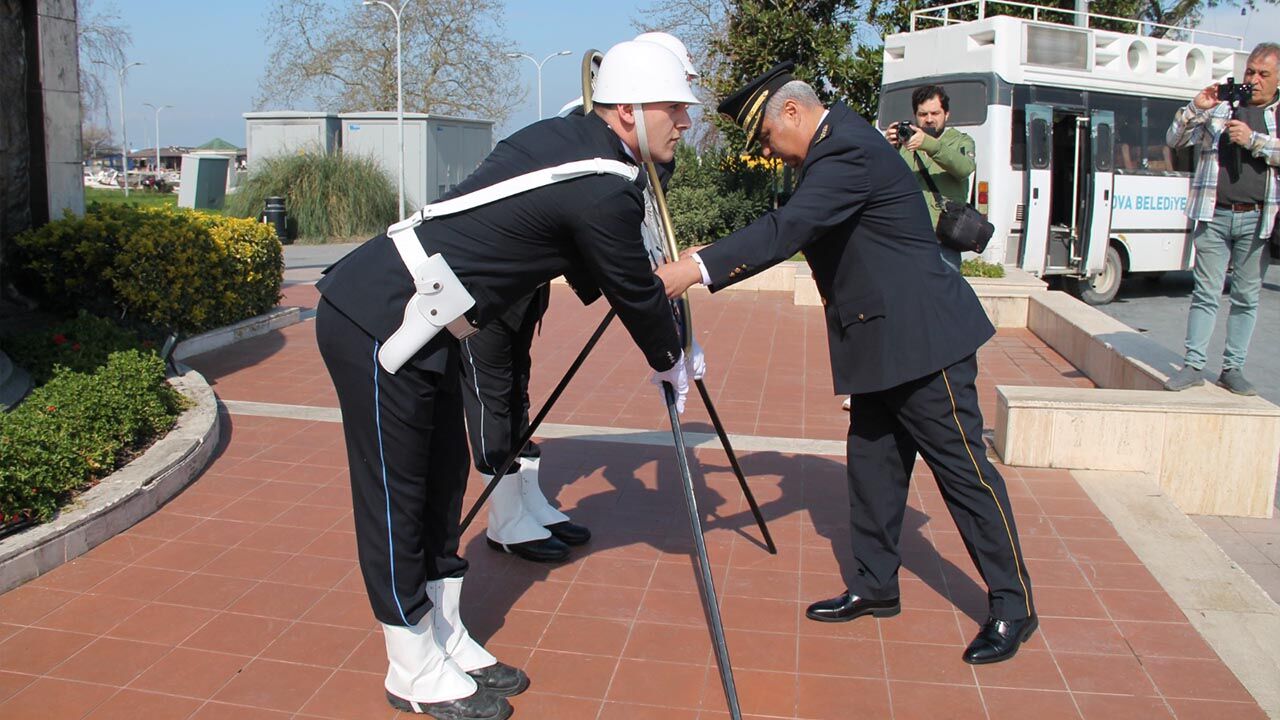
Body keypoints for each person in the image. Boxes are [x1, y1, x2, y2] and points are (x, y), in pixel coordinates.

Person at [315, 41, 701, 719]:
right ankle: (410, 663)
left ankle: (444, 635)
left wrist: (654, 314)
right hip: (379, 316)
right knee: (396, 496)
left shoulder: (582, 149)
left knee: (441, 484)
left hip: (431, 323)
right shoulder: (602, 179)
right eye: (675, 106)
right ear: (628, 110)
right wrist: (671, 357)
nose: (686, 121)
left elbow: (597, 268)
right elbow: (631, 292)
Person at [656, 62, 1036, 665]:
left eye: (765, 138)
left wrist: (694, 270)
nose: (769, 152)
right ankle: (875, 584)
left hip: (921, 340)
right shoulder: (834, 151)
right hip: (876, 344)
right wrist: (714, 253)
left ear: (791, 113)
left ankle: (1013, 606)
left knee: (965, 475)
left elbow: (791, 227)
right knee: (873, 471)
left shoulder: (845, 151)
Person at [464, 31, 701, 565]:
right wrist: (657, 329)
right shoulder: (589, 130)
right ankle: (504, 519)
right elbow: (599, 228)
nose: (683, 115)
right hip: (477, 293)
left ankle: (526, 503)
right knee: (491, 402)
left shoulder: (630, 132)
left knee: (516, 392)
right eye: (675, 95)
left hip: (522, 289)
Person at [1163, 42, 1279, 396]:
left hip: (1257, 220)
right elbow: (1174, 140)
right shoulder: (1221, 109)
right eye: (1250, 73)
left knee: (1246, 298)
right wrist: (1195, 108)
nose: (1255, 81)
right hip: (1213, 215)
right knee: (1206, 293)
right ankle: (1194, 365)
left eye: (1264, 74)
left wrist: (1254, 140)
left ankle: (1233, 369)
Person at [885, 84, 977, 273]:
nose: (928, 119)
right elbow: (883, 181)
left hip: (944, 240)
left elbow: (964, 168)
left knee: (944, 298)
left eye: (935, 113)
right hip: (908, 237)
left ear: (947, 114)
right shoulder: (904, 144)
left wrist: (929, 145)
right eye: (923, 114)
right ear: (915, 115)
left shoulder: (961, 141)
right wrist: (886, 148)